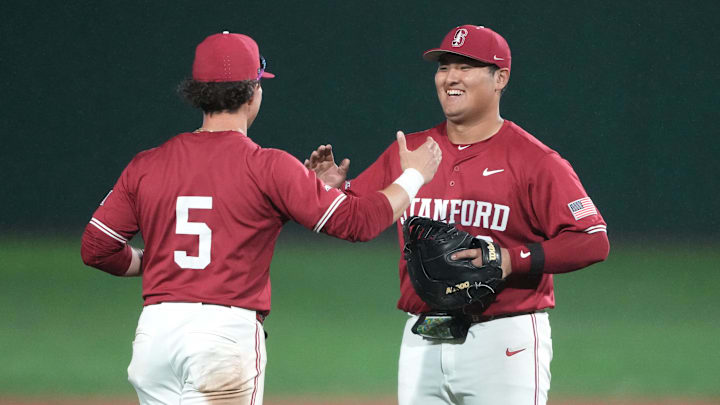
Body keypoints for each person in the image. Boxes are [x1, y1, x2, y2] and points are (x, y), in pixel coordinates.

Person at [80, 31, 441, 405]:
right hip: (222, 341)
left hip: (155, 339)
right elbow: (358, 222)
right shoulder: (267, 167)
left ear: (198, 92)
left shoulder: (148, 164)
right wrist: (414, 175)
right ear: (253, 92)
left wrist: (152, 261)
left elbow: (98, 248)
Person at [305, 25, 610, 405]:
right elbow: (356, 217)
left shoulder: (535, 161)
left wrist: (513, 259)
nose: (450, 77)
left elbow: (592, 240)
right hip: (422, 338)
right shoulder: (410, 151)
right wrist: (333, 193)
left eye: (465, 66)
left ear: (501, 78)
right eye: (444, 66)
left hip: (504, 341)